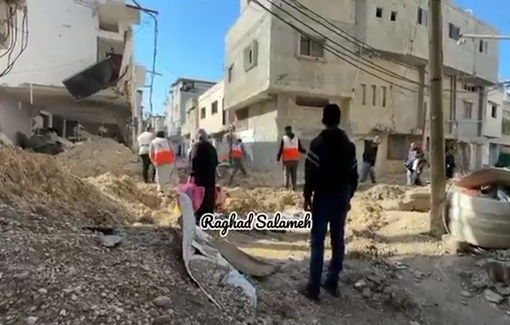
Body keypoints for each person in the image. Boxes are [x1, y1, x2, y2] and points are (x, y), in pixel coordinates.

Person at [302, 104, 358, 302]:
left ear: (323, 119)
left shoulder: (318, 143)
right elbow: (354, 176)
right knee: (337, 240)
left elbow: (310, 173)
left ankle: (313, 288)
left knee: (318, 242)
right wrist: (348, 196)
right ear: (339, 119)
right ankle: (332, 282)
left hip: (323, 197)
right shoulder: (349, 146)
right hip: (341, 198)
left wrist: (307, 197)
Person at [190, 129, 218, 224]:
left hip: (200, 176)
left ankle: (199, 217)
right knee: (209, 195)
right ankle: (209, 217)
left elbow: (194, 160)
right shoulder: (212, 148)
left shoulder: (196, 146)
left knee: (200, 195)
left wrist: (192, 174)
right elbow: (216, 162)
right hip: (210, 176)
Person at [276, 125, 307, 191]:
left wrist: (277, 159)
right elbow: (300, 149)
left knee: (286, 174)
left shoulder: (284, 139)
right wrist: (306, 151)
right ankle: (294, 188)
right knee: (294, 174)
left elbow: (280, 150)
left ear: (286, 130)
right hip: (295, 159)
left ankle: (286, 188)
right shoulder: (296, 139)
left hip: (286, 159)